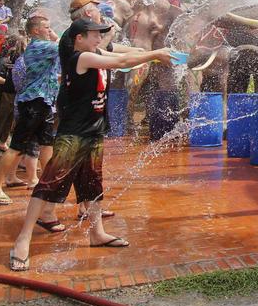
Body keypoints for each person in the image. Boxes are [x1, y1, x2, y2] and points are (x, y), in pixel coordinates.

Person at [9, 18, 174, 270]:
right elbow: (121, 62)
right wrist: (154, 54)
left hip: (94, 131)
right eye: (95, 34)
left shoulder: (95, 53)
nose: (99, 38)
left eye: (101, 34)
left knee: (92, 183)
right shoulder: (81, 58)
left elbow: (127, 55)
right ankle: (23, 239)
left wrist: (155, 54)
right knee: (49, 183)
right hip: (74, 134)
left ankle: (97, 233)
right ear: (79, 38)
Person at [0, 16, 60, 209]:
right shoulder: (40, 47)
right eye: (47, 27)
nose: (50, 30)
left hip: (44, 102)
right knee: (17, 146)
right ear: (35, 31)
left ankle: (47, 183)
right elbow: (66, 47)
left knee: (47, 144)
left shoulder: (42, 48)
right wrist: (56, 37)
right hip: (33, 103)